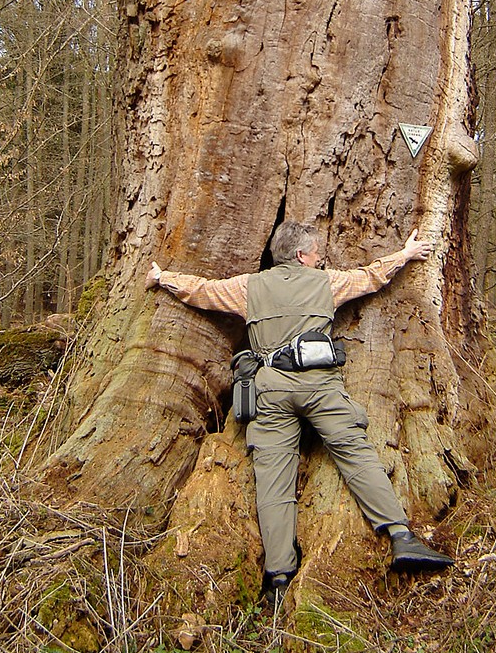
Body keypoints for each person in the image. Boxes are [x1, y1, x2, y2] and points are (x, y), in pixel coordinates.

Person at [145, 220, 453, 601]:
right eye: (317, 252)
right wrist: (405, 255)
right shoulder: (326, 283)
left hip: (271, 389)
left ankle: (278, 577)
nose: (321, 257)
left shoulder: (248, 287)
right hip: (321, 386)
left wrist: (163, 278)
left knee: (273, 478)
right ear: (302, 255)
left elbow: (203, 291)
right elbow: (371, 277)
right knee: (356, 454)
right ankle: (402, 537)